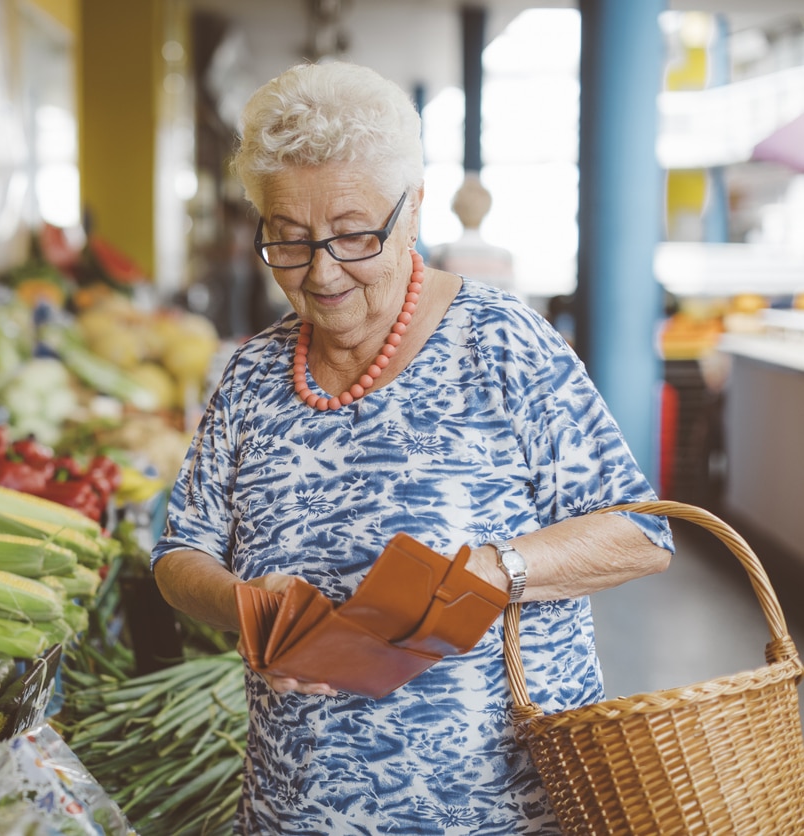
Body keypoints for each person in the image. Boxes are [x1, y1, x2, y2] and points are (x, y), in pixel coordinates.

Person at [150, 61, 674, 835]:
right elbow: (177, 553)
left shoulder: (501, 343)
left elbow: (640, 532)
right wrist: (247, 607)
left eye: (355, 236)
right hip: (294, 810)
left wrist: (497, 570)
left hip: (497, 812)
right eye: (289, 242)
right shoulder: (253, 374)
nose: (322, 272)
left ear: (415, 208)